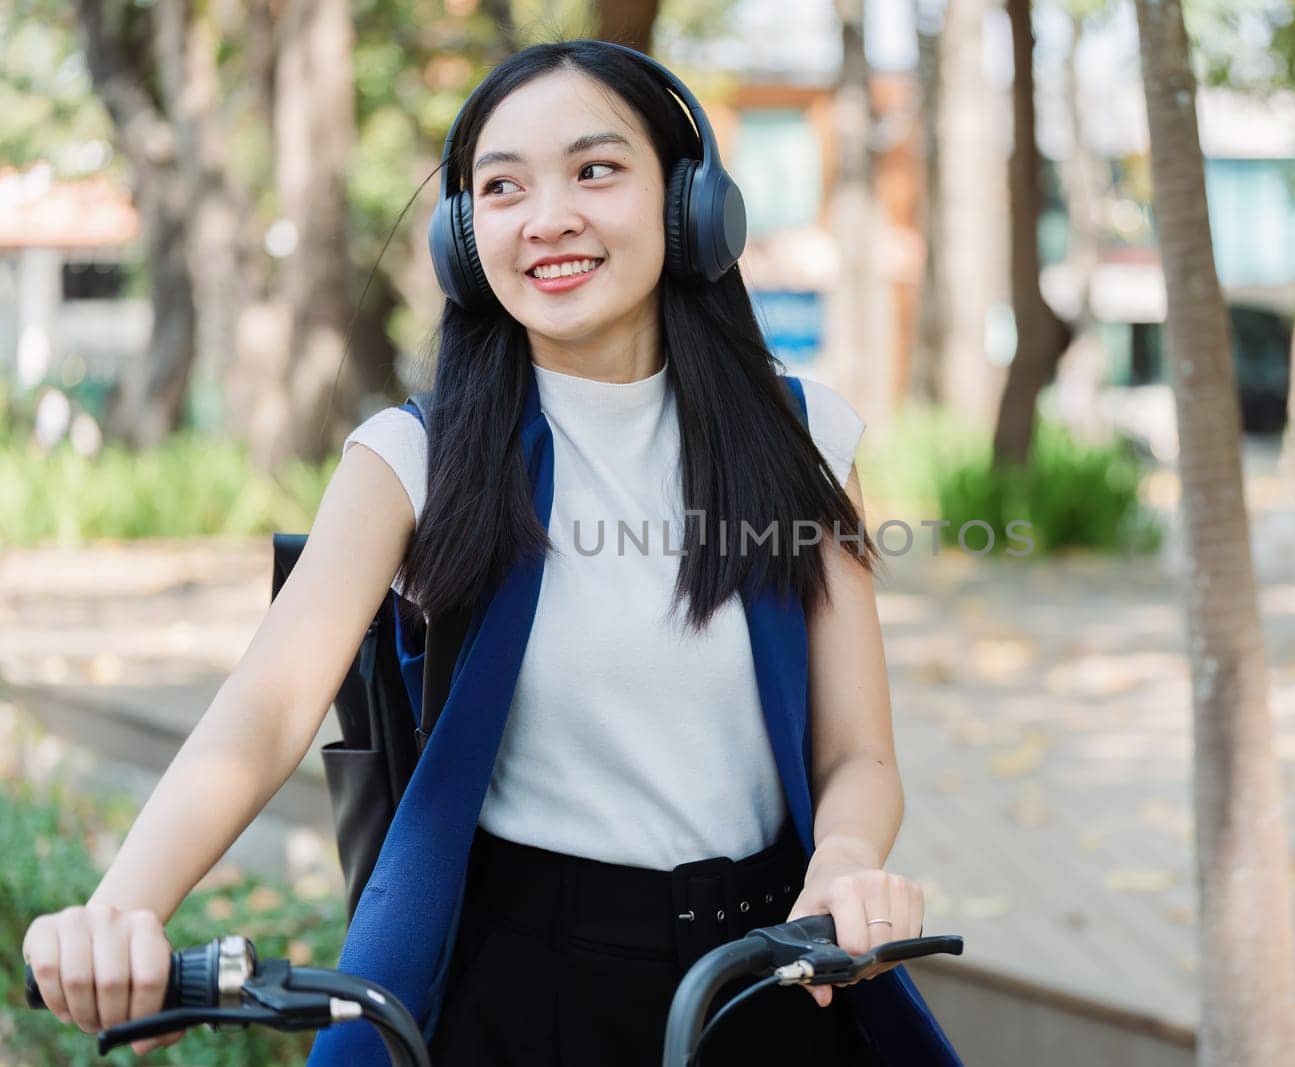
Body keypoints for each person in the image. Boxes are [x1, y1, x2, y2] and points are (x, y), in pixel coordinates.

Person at [21, 38, 958, 1066]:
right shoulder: (411, 458)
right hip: (516, 982)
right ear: (465, 237)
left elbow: (856, 750)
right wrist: (120, 908)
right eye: (501, 186)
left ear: (688, 203)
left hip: (769, 975)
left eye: (594, 170)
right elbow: (264, 709)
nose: (547, 217)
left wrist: (849, 860)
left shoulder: (804, 434)